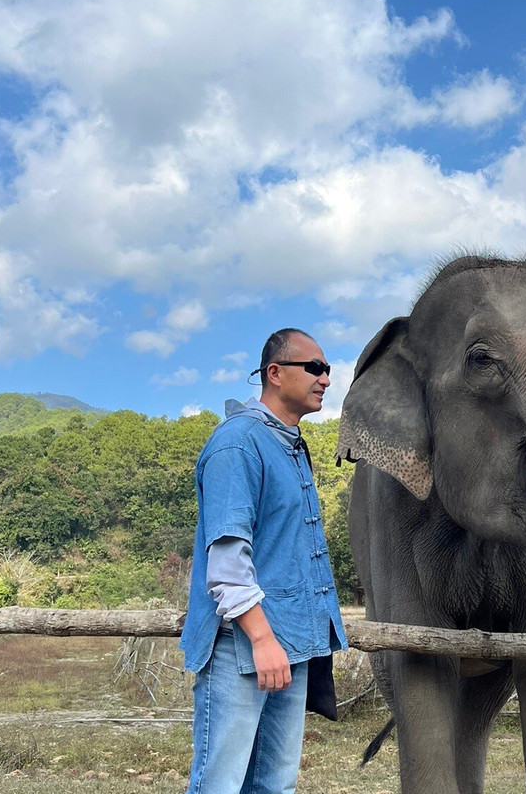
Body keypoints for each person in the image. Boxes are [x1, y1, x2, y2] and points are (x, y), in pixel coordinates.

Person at [179, 328, 347, 794]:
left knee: (274, 785)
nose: (326, 379)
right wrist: (262, 639)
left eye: (328, 369)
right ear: (274, 373)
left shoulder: (286, 443)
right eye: (314, 368)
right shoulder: (238, 444)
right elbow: (229, 557)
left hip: (287, 645)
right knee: (220, 784)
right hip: (246, 645)